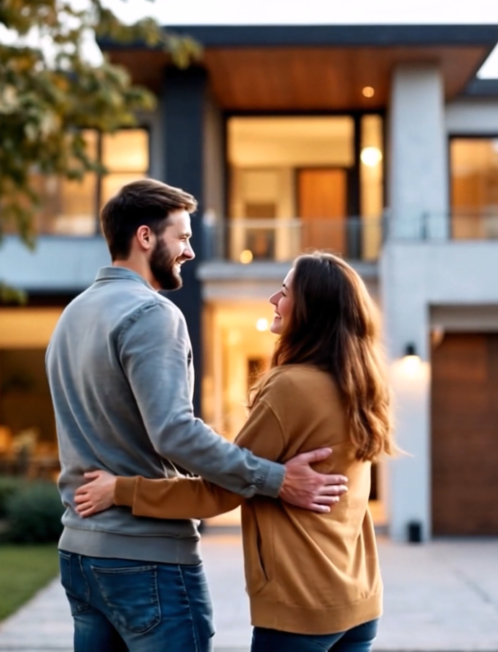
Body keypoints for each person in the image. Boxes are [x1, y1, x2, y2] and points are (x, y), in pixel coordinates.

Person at [47, 179, 349, 652]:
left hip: (80, 554)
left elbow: (150, 426)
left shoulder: (72, 315)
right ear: (146, 237)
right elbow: (173, 433)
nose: (189, 251)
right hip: (147, 559)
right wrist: (274, 478)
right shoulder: (153, 314)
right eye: (183, 238)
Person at [74, 251, 394, 652]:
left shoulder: (291, 388)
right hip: (360, 604)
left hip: (302, 610)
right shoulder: (360, 386)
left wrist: (120, 490)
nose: (274, 301)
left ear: (311, 309)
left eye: (284, 292)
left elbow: (220, 490)